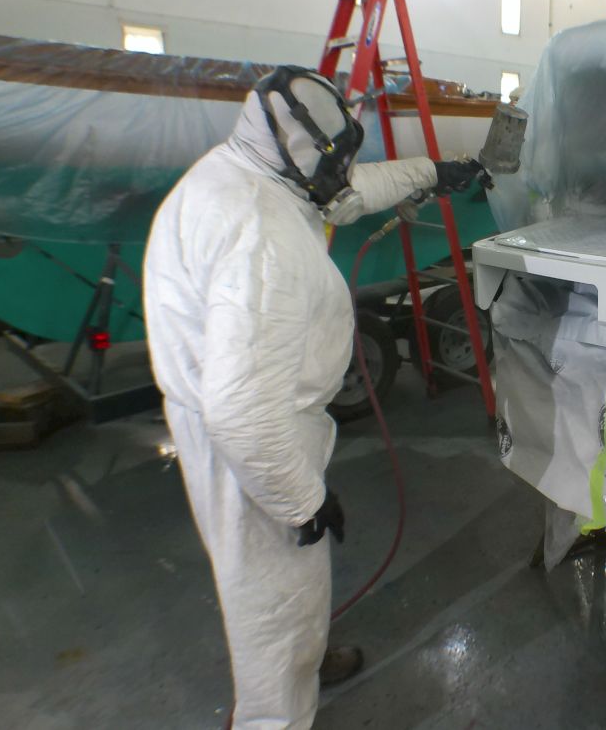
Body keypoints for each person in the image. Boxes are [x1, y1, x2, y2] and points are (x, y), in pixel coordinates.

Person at [143, 65, 482, 730]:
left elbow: (343, 193)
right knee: (272, 592)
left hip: (248, 415)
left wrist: (433, 174)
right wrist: (302, 499)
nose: (340, 178)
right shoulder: (259, 236)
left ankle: (310, 653)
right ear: (300, 157)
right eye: (330, 166)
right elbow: (239, 407)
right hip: (252, 431)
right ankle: (275, 714)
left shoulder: (246, 170)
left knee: (289, 583)